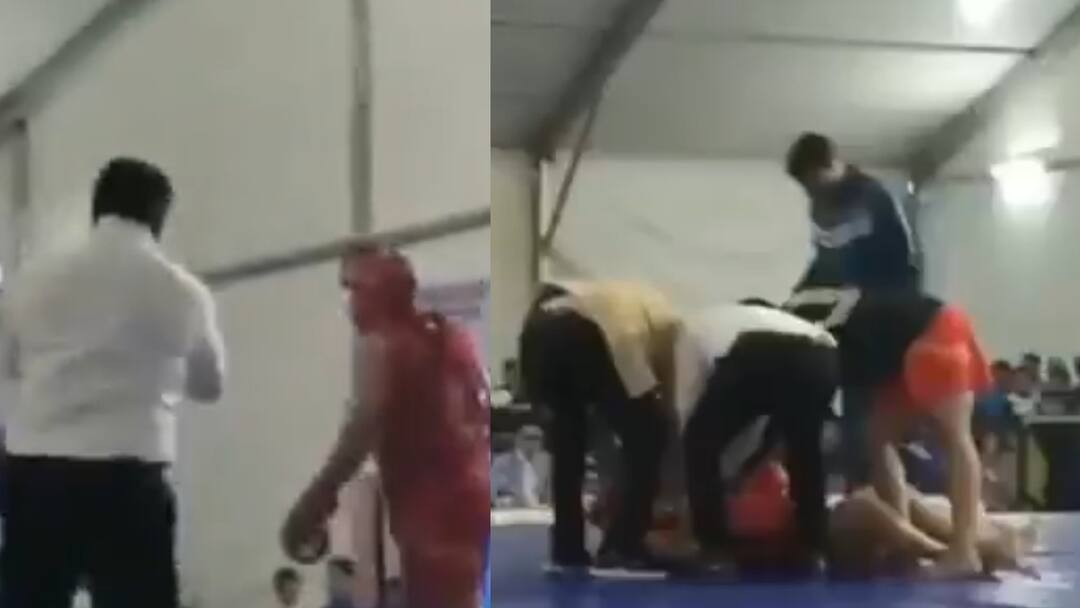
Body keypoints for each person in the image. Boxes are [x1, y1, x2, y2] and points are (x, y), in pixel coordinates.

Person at [0, 158, 226, 608]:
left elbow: (7, 363)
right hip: (129, 480)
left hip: (36, 475)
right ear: (159, 217)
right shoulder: (181, 291)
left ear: (97, 207)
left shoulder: (32, 281)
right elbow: (210, 385)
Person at [280, 247, 489, 608]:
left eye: (354, 291)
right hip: (471, 493)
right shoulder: (448, 335)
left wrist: (313, 502)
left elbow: (362, 428)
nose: (349, 303)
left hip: (427, 504)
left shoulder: (380, 344)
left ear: (374, 292)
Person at [785, 285, 990, 577]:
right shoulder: (809, 319)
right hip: (904, 344)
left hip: (931, 330)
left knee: (955, 435)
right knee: (878, 437)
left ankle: (964, 552)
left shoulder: (795, 336)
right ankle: (902, 539)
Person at [786, 132, 920, 492]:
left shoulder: (874, 198)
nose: (810, 192)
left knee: (873, 424)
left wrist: (892, 314)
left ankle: (879, 495)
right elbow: (825, 264)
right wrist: (796, 301)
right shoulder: (820, 207)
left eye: (812, 182)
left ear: (831, 164)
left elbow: (904, 261)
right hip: (852, 324)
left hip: (884, 319)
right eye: (805, 188)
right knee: (855, 417)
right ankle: (860, 493)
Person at [518, 281, 677, 572]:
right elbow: (666, 390)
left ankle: (566, 550)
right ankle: (623, 547)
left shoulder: (603, 296)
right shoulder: (671, 324)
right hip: (591, 334)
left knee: (568, 447)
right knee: (651, 436)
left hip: (538, 335)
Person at [671, 301, 839, 572]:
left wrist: (691, 488)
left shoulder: (688, 331)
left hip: (758, 351)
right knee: (805, 449)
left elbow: (687, 409)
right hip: (823, 354)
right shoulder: (774, 319)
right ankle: (814, 547)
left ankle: (713, 550)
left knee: (699, 441)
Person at [491, 424, 551, 508]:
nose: (533, 442)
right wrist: (509, 502)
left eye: (537, 438)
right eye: (528, 438)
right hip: (511, 509)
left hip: (539, 510)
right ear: (517, 440)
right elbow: (492, 494)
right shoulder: (501, 462)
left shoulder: (546, 461)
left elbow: (548, 493)